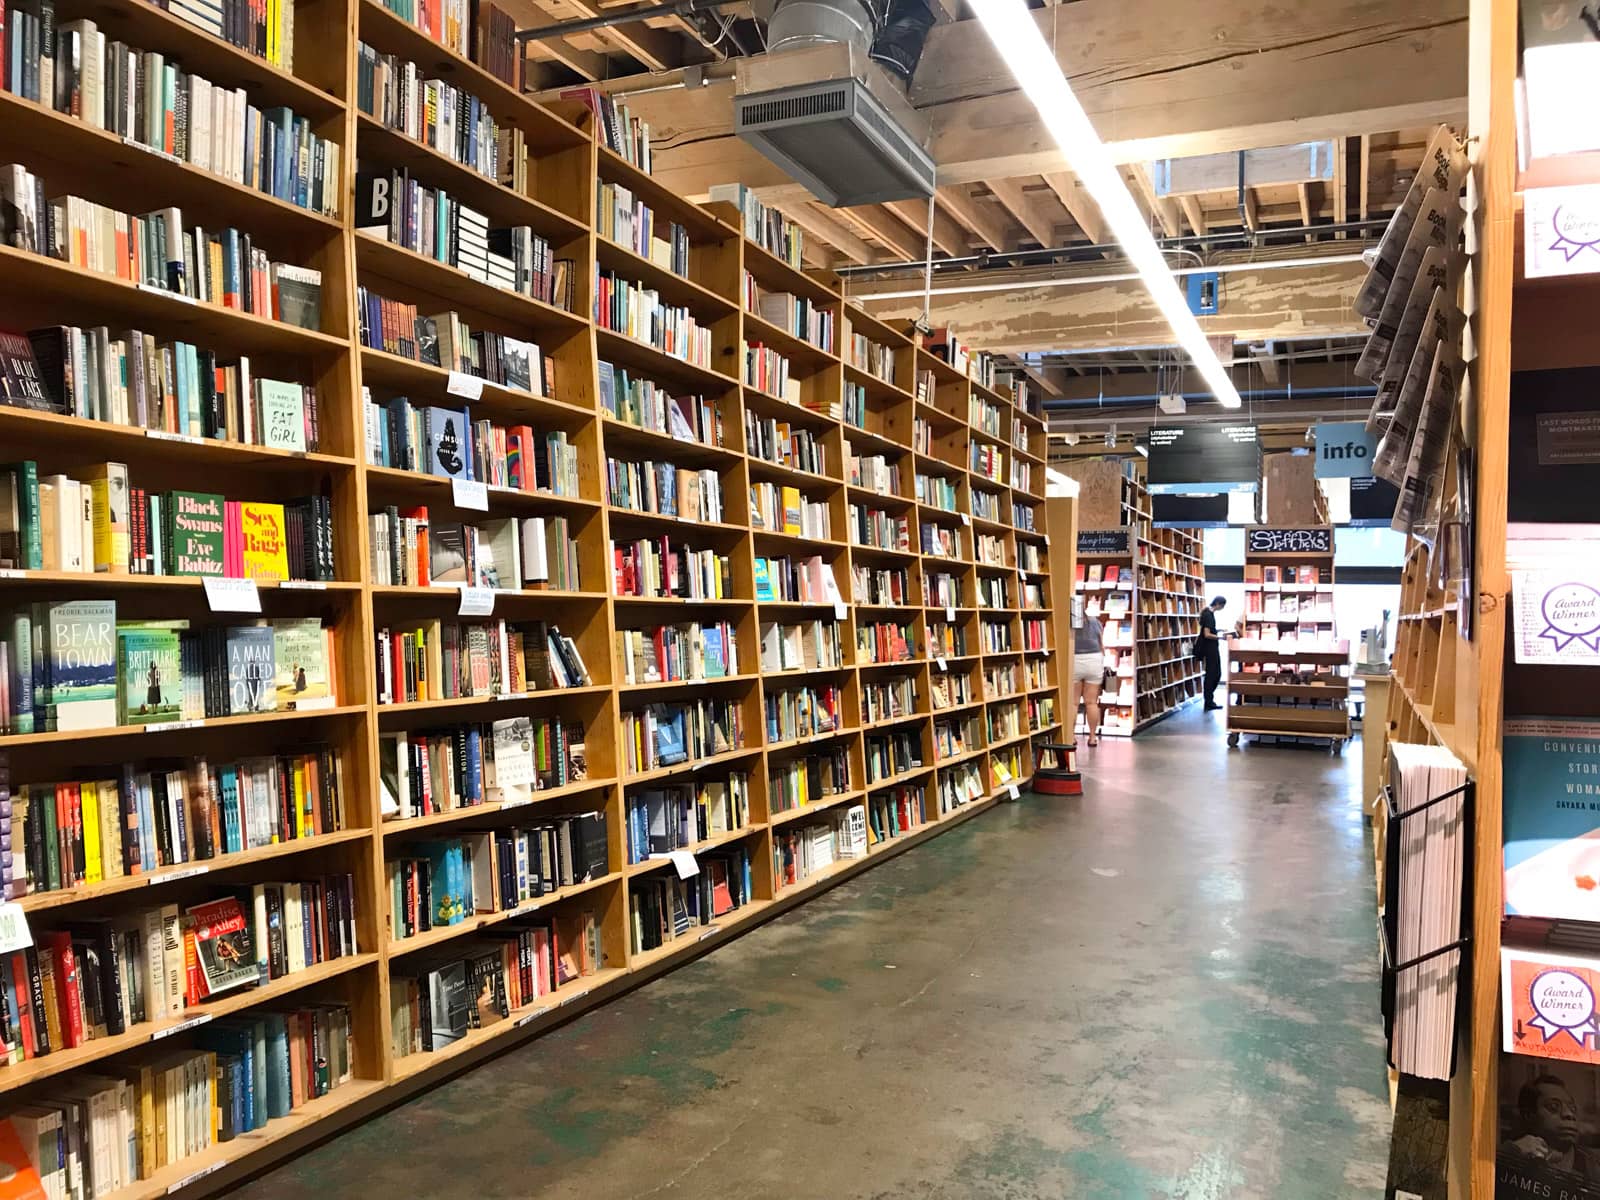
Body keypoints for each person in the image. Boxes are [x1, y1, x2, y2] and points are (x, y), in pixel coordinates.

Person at [1501, 1073, 1600, 1181]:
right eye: (1554, 1107)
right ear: (1528, 1115)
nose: (1569, 1115)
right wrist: (1512, 1151)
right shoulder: (1512, 1153)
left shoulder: (1593, 1165)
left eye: (1572, 1109)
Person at [1070, 607, 1105, 746]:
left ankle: (1071, 736)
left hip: (1075, 660)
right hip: (1094, 660)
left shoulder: (1068, 624)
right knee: (1091, 702)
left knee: (1073, 703)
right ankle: (1092, 737)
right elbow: (1102, 644)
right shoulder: (1094, 622)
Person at [1198, 595, 1233, 711]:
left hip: (1211, 647)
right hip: (1209, 648)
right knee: (1213, 675)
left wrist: (1219, 630)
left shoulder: (1209, 613)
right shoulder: (1208, 615)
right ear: (1218, 604)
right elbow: (1206, 634)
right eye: (1222, 605)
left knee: (1215, 674)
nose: (1222, 608)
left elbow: (1209, 630)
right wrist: (1221, 637)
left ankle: (1209, 700)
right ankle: (1208, 701)